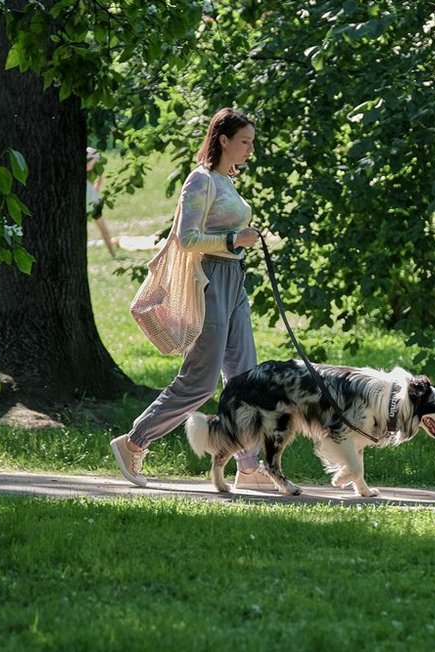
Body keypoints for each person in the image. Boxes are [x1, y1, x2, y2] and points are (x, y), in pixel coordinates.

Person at [110, 107, 273, 491]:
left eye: (251, 142)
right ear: (223, 140)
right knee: (199, 382)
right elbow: (186, 239)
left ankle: (248, 467)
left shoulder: (226, 180)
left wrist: (241, 239)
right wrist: (234, 240)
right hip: (210, 281)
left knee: (245, 377)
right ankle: (134, 442)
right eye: (245, 142)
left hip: (234, 280)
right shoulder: (200, 181)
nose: (250, 149)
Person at [86, 147, 117, 257]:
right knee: (103, 229)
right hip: (92, 202)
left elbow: (98, 184)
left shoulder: (89, 177)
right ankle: (112, 253)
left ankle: (113, 253)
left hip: (92, 203)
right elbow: (98, 183)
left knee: (103, 229)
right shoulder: (90, 174)